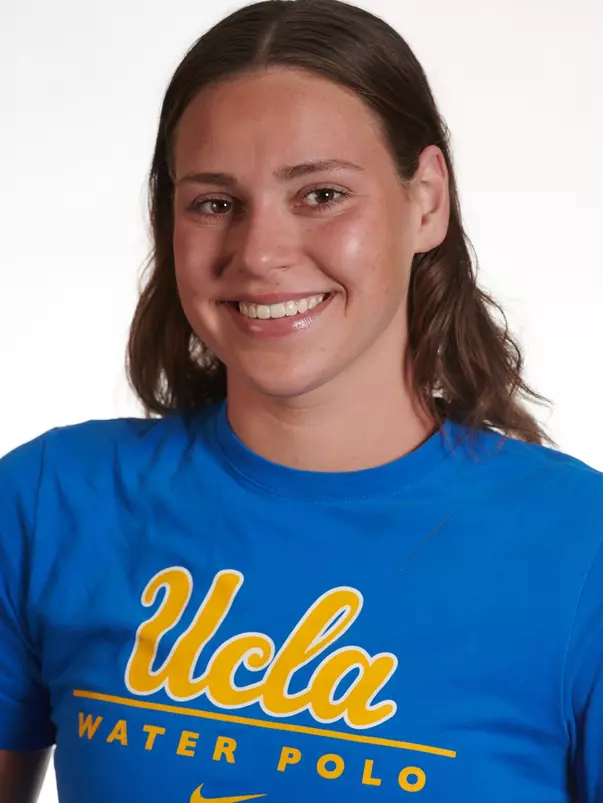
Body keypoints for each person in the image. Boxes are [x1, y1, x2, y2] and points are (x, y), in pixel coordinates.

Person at [1, 0, 602, 801]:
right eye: (214, 202)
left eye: (320, 194)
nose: (259, 253)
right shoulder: (48, 503)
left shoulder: (578, 550)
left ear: (425, 199)